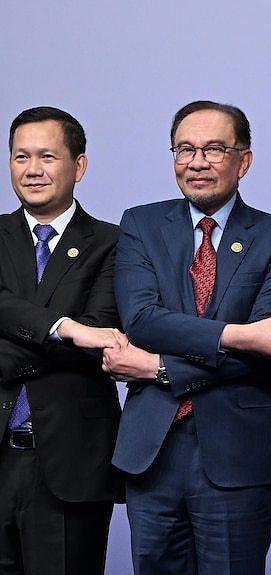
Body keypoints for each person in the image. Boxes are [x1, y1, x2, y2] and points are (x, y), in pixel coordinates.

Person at [101, 100, 271, 574]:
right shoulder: (141, 224)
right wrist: (236, 333)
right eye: (185, 149)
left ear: (244, 160)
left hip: (237, 450)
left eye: (214, 149)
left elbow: (266, 345)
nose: (197, 162)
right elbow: (143, 321)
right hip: (152, 450)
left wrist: (159, 368)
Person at [0, 106, 124, 573]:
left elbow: (102, 331)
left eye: (47, 156)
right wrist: (63, 328)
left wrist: (23, 330)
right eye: (20, 157)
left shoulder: (113, 242)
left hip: (71, 461)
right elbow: (78, 335)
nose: (32, 170)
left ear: (79, 165)